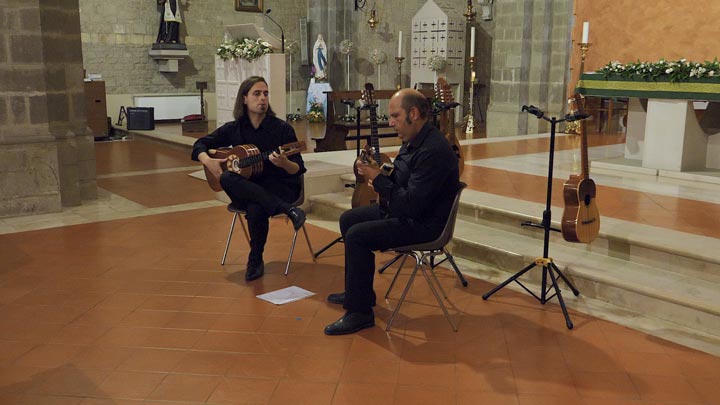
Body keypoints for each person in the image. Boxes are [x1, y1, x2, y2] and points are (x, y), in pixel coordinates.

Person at [324, 89, 460, 335]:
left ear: (414, 113)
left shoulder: (433, 151)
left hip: (424, 223)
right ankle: (360, 293)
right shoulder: (415, 140)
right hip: (409, 212)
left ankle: (360, 313)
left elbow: (411, 204)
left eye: (395, 116)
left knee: (357, 236)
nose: (391, 122)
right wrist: (375, 169)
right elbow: (400, 176)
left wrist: (378, 180)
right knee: (349, 219)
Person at [191, 76, 307, 281]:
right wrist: (208, 161)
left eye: (265, 93)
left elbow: (297, 168)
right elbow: (200, 143)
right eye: (257, 93)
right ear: (244, 98)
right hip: (247, 187)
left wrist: (283, 163)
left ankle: (255, 260)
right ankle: (288, 210)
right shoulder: (234, 128)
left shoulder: (281, 129)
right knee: (227, 177)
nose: (262, 98)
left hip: (279, 186)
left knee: (256, 207)